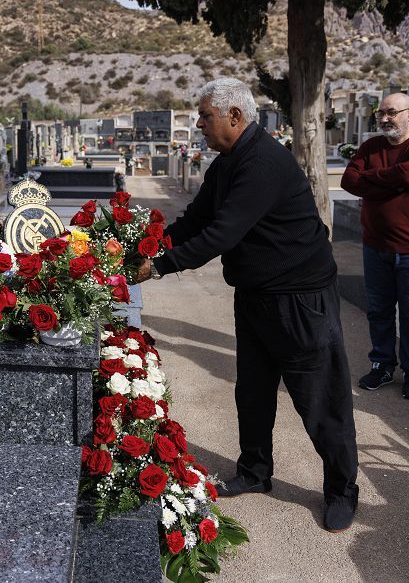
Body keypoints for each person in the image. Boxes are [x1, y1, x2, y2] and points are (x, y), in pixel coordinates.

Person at [132, 78, 359, 532]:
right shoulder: (228, 161)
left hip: (299, 299)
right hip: (257, 294)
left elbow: (222, 234)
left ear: (234, 117)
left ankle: (341, 488)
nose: (198, 124)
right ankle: (255, 472)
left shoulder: (262, 163)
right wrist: (143, 245)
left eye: (204, 116)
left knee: (318, 400)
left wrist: (157, 267)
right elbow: (198, 218)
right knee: (252, 393)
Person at [341, 93, 409, 400]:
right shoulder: (371, 146)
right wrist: (391, 180)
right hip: (375, 245)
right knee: (379, 311)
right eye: (381, 113)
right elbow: (348, 181)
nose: (385, 119)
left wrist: (370, 180)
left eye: (392, 113)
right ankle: (382, 364)